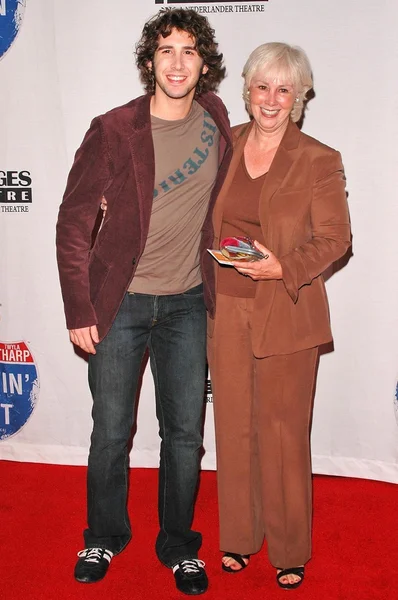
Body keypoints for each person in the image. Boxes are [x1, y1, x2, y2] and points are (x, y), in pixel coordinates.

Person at [56, 8, 232, 595]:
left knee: (184, 434)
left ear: (203, 63)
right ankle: (104, 535)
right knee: (110, 430)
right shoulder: (113, 129)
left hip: (187, 304)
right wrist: (79, 308)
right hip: (121, 304)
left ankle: (179, 544)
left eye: (188, 50)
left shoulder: (217, 118)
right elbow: (74, 221)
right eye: (166, 50)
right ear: (149, 61)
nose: (177, 62)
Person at [206, 42, 351, 590]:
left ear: (299, 97)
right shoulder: (224, 143)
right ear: (247, 91)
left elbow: (336, 239)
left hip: (286, 309)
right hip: (225, 309)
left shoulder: (319, 158)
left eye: (284, 89)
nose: (271, 99)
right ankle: (239, 538)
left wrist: (282, 268)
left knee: (284, 432)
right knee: (235, 427)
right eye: (262, 87)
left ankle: (290, 548)